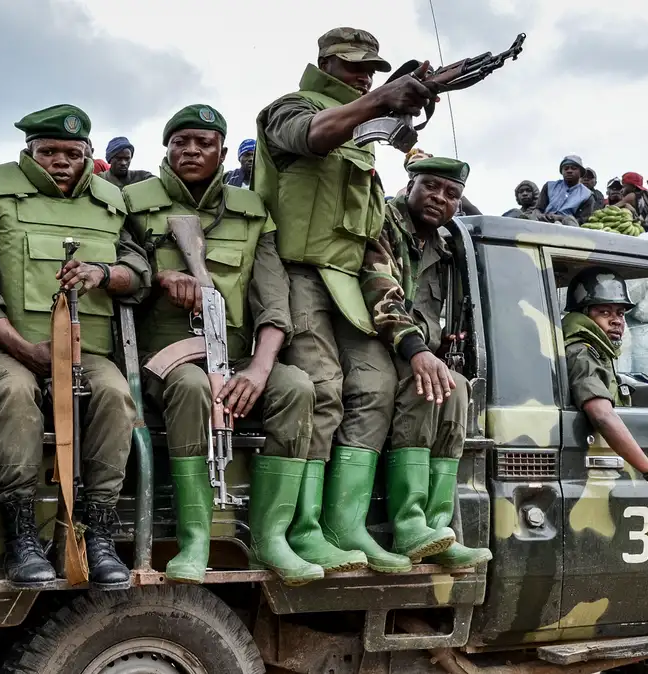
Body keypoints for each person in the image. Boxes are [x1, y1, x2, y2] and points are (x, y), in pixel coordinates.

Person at [254, 27, 433, 574]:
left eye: (372, 70)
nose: (364, 77)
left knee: (378, 385)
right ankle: (299, 529)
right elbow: (312, 135)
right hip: (294, 272)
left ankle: (343, 525)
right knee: (322, 388)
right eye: (354, 66)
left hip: (348, 283)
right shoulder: (290, 108)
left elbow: (369, 239)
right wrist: (382, 99)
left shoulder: (364, 135)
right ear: (324, 62)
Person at [122, 105, 325, 585]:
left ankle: (271, 539)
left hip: (232, 355)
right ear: (167, 149)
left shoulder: (252, 212)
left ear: (224, 152)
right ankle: (195, 539)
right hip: (163, 359)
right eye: (181, 142)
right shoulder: (133, 202)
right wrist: (160, 278)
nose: (192, 151)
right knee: (191, 386)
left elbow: (274, 301)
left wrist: (258, 369)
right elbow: (121, 272)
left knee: (296, 387)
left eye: (204, 143)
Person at [0, 104, 150, 590]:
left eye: (72, 152)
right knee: (13, 392)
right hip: (12, 347)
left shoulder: (113, 201)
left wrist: (103, 273)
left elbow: (139, 271)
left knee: (115, 396)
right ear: (29, 152)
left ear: (88, 153)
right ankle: (22, 533)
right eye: (48, 151)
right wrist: (23, 349)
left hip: (88, 351)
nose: (61, 161)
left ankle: (98, 532)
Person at [360, 156, 493, 569]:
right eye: (430, 186)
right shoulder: (383, 223)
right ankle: (409, 525)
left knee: (457, 390)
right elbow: (380, 292)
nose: (439, 197)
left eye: (451, 193)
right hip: (376, 343)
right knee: (428, 386)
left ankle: (436, 529)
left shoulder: (442, 247)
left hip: (416, 350)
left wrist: (437, 345)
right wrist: (419, 351)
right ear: (410, 185)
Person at [562, 269, 648, 523]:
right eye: (605, 312)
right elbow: (602, 415)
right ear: (583, 315)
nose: (616, 321)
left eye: (621, 313)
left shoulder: (598, 353)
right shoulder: (583, 353)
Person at [537, 155, 597, 224]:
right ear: (562, 171)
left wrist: (562, 219)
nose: (569, 171)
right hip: (543, 225)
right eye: (566, 168)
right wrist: (539, 215)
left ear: (581, 172)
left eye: (573, 168)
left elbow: (581, 221)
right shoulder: (549, 186)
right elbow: (539, 209)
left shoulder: (587, 196)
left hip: (567, 228)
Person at [504, 179, 577, 227]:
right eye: (521, 192)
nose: (524, 194)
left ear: (535, 193)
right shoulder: (515, 214)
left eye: (528, 190)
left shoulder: (542, 211)